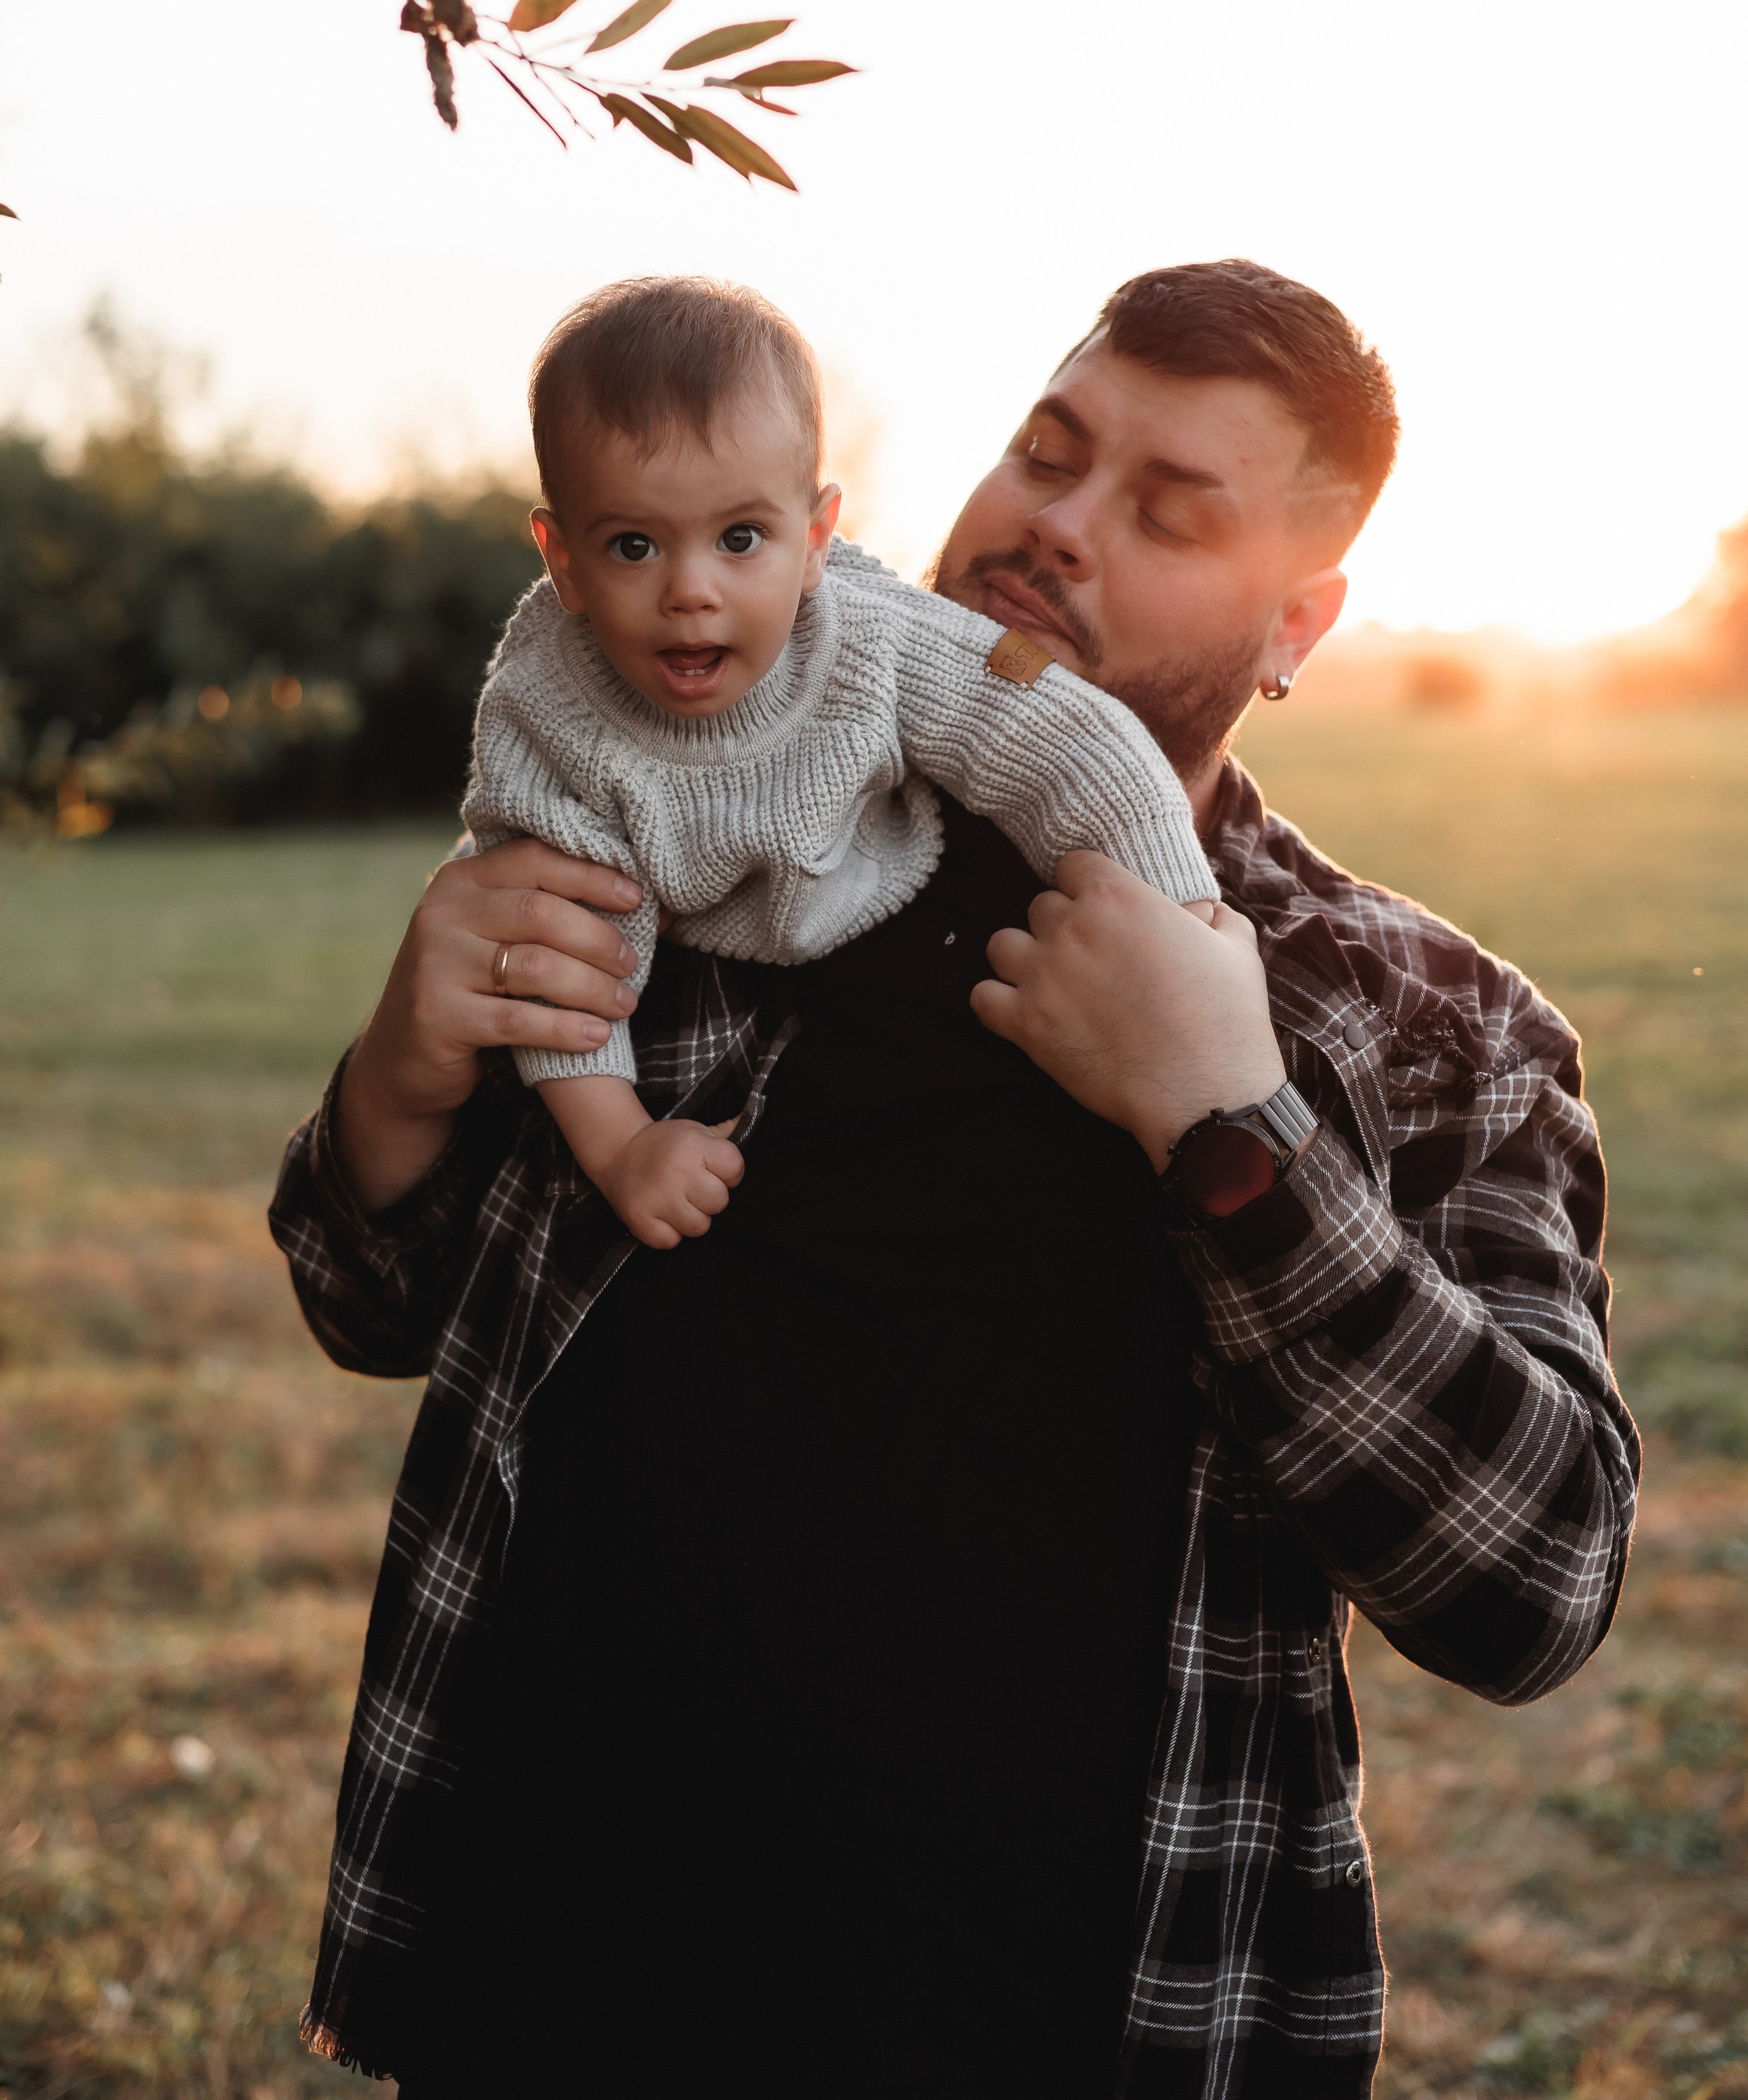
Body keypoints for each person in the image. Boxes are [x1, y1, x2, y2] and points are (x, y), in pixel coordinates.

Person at [272, 259, 1638, 2100]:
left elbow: (1530, 1584)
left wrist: (1228, 1117)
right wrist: (402, 1067)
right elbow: (371, 1305)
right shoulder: (691, 840)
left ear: (1297, 622)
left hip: (1057, 2010)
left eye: (1168, 510)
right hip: (567, 1959)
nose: (1058, 524)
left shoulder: (1426, 1027)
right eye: (1048, 452)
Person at [464, 273, 1218, 1247]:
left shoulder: (871, 635)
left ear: (817, 538)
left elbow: (1059, 735)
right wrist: (620, 1147)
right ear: (562, 558)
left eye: (742, 538)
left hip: (875, 879)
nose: (691, 590)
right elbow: (560, 966)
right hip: (675, 944)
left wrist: (1180, 916)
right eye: (634, 546)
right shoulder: (549, 714)